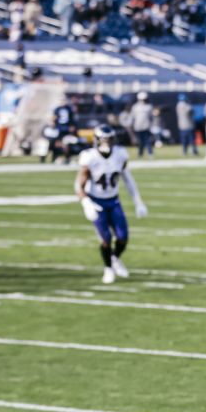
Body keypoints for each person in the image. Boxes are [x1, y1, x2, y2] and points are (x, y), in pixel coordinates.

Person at [75, 124, 148, 284]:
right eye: (103, 139)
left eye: (109, 139)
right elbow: (78, 185)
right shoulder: (89, 156)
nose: (106, 142)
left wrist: (138, 201)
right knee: (105, 239)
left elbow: (127, 178)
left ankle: (115, 258)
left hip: (114, 200)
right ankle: (108, 268)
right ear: (96, 139)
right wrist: (86, 203)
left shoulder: (120, 154)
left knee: (123, 237)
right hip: (96, 201)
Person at [130, 91, 154, 158]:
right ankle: (140, 154)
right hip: (138, 127)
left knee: (148, 140)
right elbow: (133, 117)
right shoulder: (135, 107)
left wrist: (151, 125)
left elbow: (151, 117)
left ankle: (150, 153)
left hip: (146, 126)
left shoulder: (149, 106)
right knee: (140, 141)